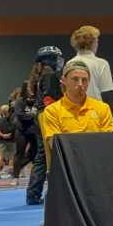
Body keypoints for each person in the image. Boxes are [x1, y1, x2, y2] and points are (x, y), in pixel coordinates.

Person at [39, 60, 113, 147]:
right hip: (68, 159)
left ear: (89, 81)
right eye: (75, 79)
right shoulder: (52, 111)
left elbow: (108, 143)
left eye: (84, 80)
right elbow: (56, 147)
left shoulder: (103, 108)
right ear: (64, 80)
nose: (80, 84)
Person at [25, 46, 64, 206]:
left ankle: (33, 193)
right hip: (47, 115)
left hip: (40, 115)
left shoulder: (41, 75)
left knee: (41, 155)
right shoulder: (50, 75)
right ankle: (34, 192)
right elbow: (49, 97)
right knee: (44, 155)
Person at [68, 25, 113, 120]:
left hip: (74, 115)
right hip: (96, 115)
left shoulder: (69, 64)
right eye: (97, 41)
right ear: (93, 43)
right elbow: (107, 95)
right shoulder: (101, 64)